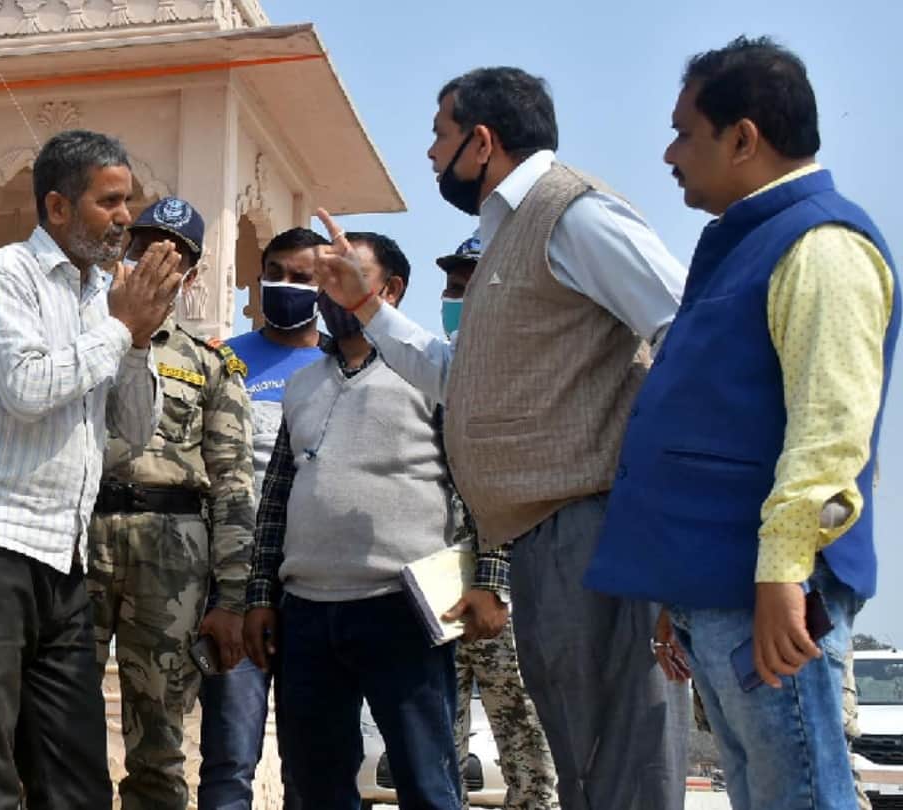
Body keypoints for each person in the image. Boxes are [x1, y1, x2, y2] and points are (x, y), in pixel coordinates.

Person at [311, 65, 690, 810]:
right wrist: (367, 305)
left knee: (625, 760)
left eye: (440, 134)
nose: (430, 153)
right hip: (547, 534)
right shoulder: (510, 236)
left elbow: (685, 329)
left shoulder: (573, 215)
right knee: (586, 763)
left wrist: (670, 497)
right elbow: (460, 379)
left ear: (481, 142)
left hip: (597, 523)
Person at [586, 36, 898, 810]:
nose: (669, 153)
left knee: (800, 796)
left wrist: (783, 576)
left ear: (743, 138)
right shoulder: (744, 247)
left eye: (684, 132)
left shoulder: (822, 246)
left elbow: (829, 434)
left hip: (769, 591)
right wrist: (679, 589)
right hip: (726, 589)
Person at [0, 129, 183, 810]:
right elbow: (29, 388)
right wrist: (120, 328)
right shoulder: (4, 276)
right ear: (58, 207)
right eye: (109, 202)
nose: (126, 218)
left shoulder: (102, 296)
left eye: (129, 201)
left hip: (62, 556)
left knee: (75, 779)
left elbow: (135, 428)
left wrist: (137, 340)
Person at [243, 231, 509, 810]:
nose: (330, 291)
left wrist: (492, 580)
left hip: (404, 607)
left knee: (426, 781)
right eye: (326, 279)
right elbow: (277, 498)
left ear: (390, 290)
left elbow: (483, 484)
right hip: (306, 613)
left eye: (349, 277)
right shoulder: (302, 384)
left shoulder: (432, 374)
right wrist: (261, 595)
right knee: (315, 786)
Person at [86, 196, 255, 810]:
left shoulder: (210, 364)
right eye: (144, 246)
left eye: (174, 254)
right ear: (121, 251)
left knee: (159, 732)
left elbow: (233, 484)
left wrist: (232, 597)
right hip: (82, 534)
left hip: (172, 546)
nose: (157, 260)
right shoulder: (85, 340)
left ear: (192, 273)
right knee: (57, 715)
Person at [196, 227, 328, 810]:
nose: (285, 285)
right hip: (234, 585)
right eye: (275, 273)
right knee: (229, 760)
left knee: (313, 763)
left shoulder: (338, 364)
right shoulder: (221, 360)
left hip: (313, 586)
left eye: (302, 277)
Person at [436, 235, 560, 810]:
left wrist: (493, 581)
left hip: (508, 600)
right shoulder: (433, 372)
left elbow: (515, 493)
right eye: (451, 288)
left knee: (529, 752)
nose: (455, 300)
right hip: (437, 594)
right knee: (437, 753)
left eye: (468, 288)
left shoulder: (530, 376)